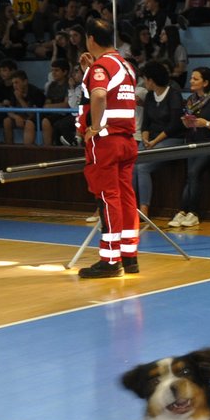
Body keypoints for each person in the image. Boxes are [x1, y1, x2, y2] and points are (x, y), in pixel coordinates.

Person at [76, 17, 140, 279]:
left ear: (91, 39)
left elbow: (100, 95)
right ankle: (129, 256)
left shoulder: (101, 67)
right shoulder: (125, 65)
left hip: (106, 141)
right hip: (127, 140)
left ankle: (110, 260)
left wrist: (94, 126)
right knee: (126, 195)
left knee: (107, 197)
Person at [169, 66, 210, 228]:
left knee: (194, 171)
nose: (191, 81)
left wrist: (207, 124)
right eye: (191, 78)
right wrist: (186, 123)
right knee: (189, 174)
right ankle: (183, 210)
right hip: (194, 142)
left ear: (206, 82)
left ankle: (194, 212)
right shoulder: (190, 100)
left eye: (195, 79)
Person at [135, 62, 183, 219]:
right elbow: (146, 123)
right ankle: (129, 206)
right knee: (131, 162)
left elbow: (174, 125)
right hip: (151, 140)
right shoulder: (149, 96)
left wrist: (154, 142)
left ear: (151, 80)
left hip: (171, 139)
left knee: (143, 166)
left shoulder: (174, 95)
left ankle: (144, 208)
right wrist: (145, 139)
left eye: (145, 79)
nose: (144, 83)